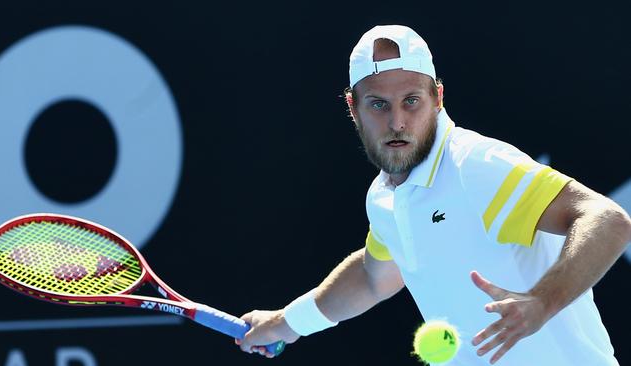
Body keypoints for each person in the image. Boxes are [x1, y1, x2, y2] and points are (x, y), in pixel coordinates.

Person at [234, 25, 631, 365]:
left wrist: (543, 301)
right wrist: (287, 322)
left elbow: (607, 219)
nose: (397, 122)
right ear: (353, 108)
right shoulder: (385, 198)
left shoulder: (476, 166)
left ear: (437, 99)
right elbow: (374, 278)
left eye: (411, 101)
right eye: (378, 105)